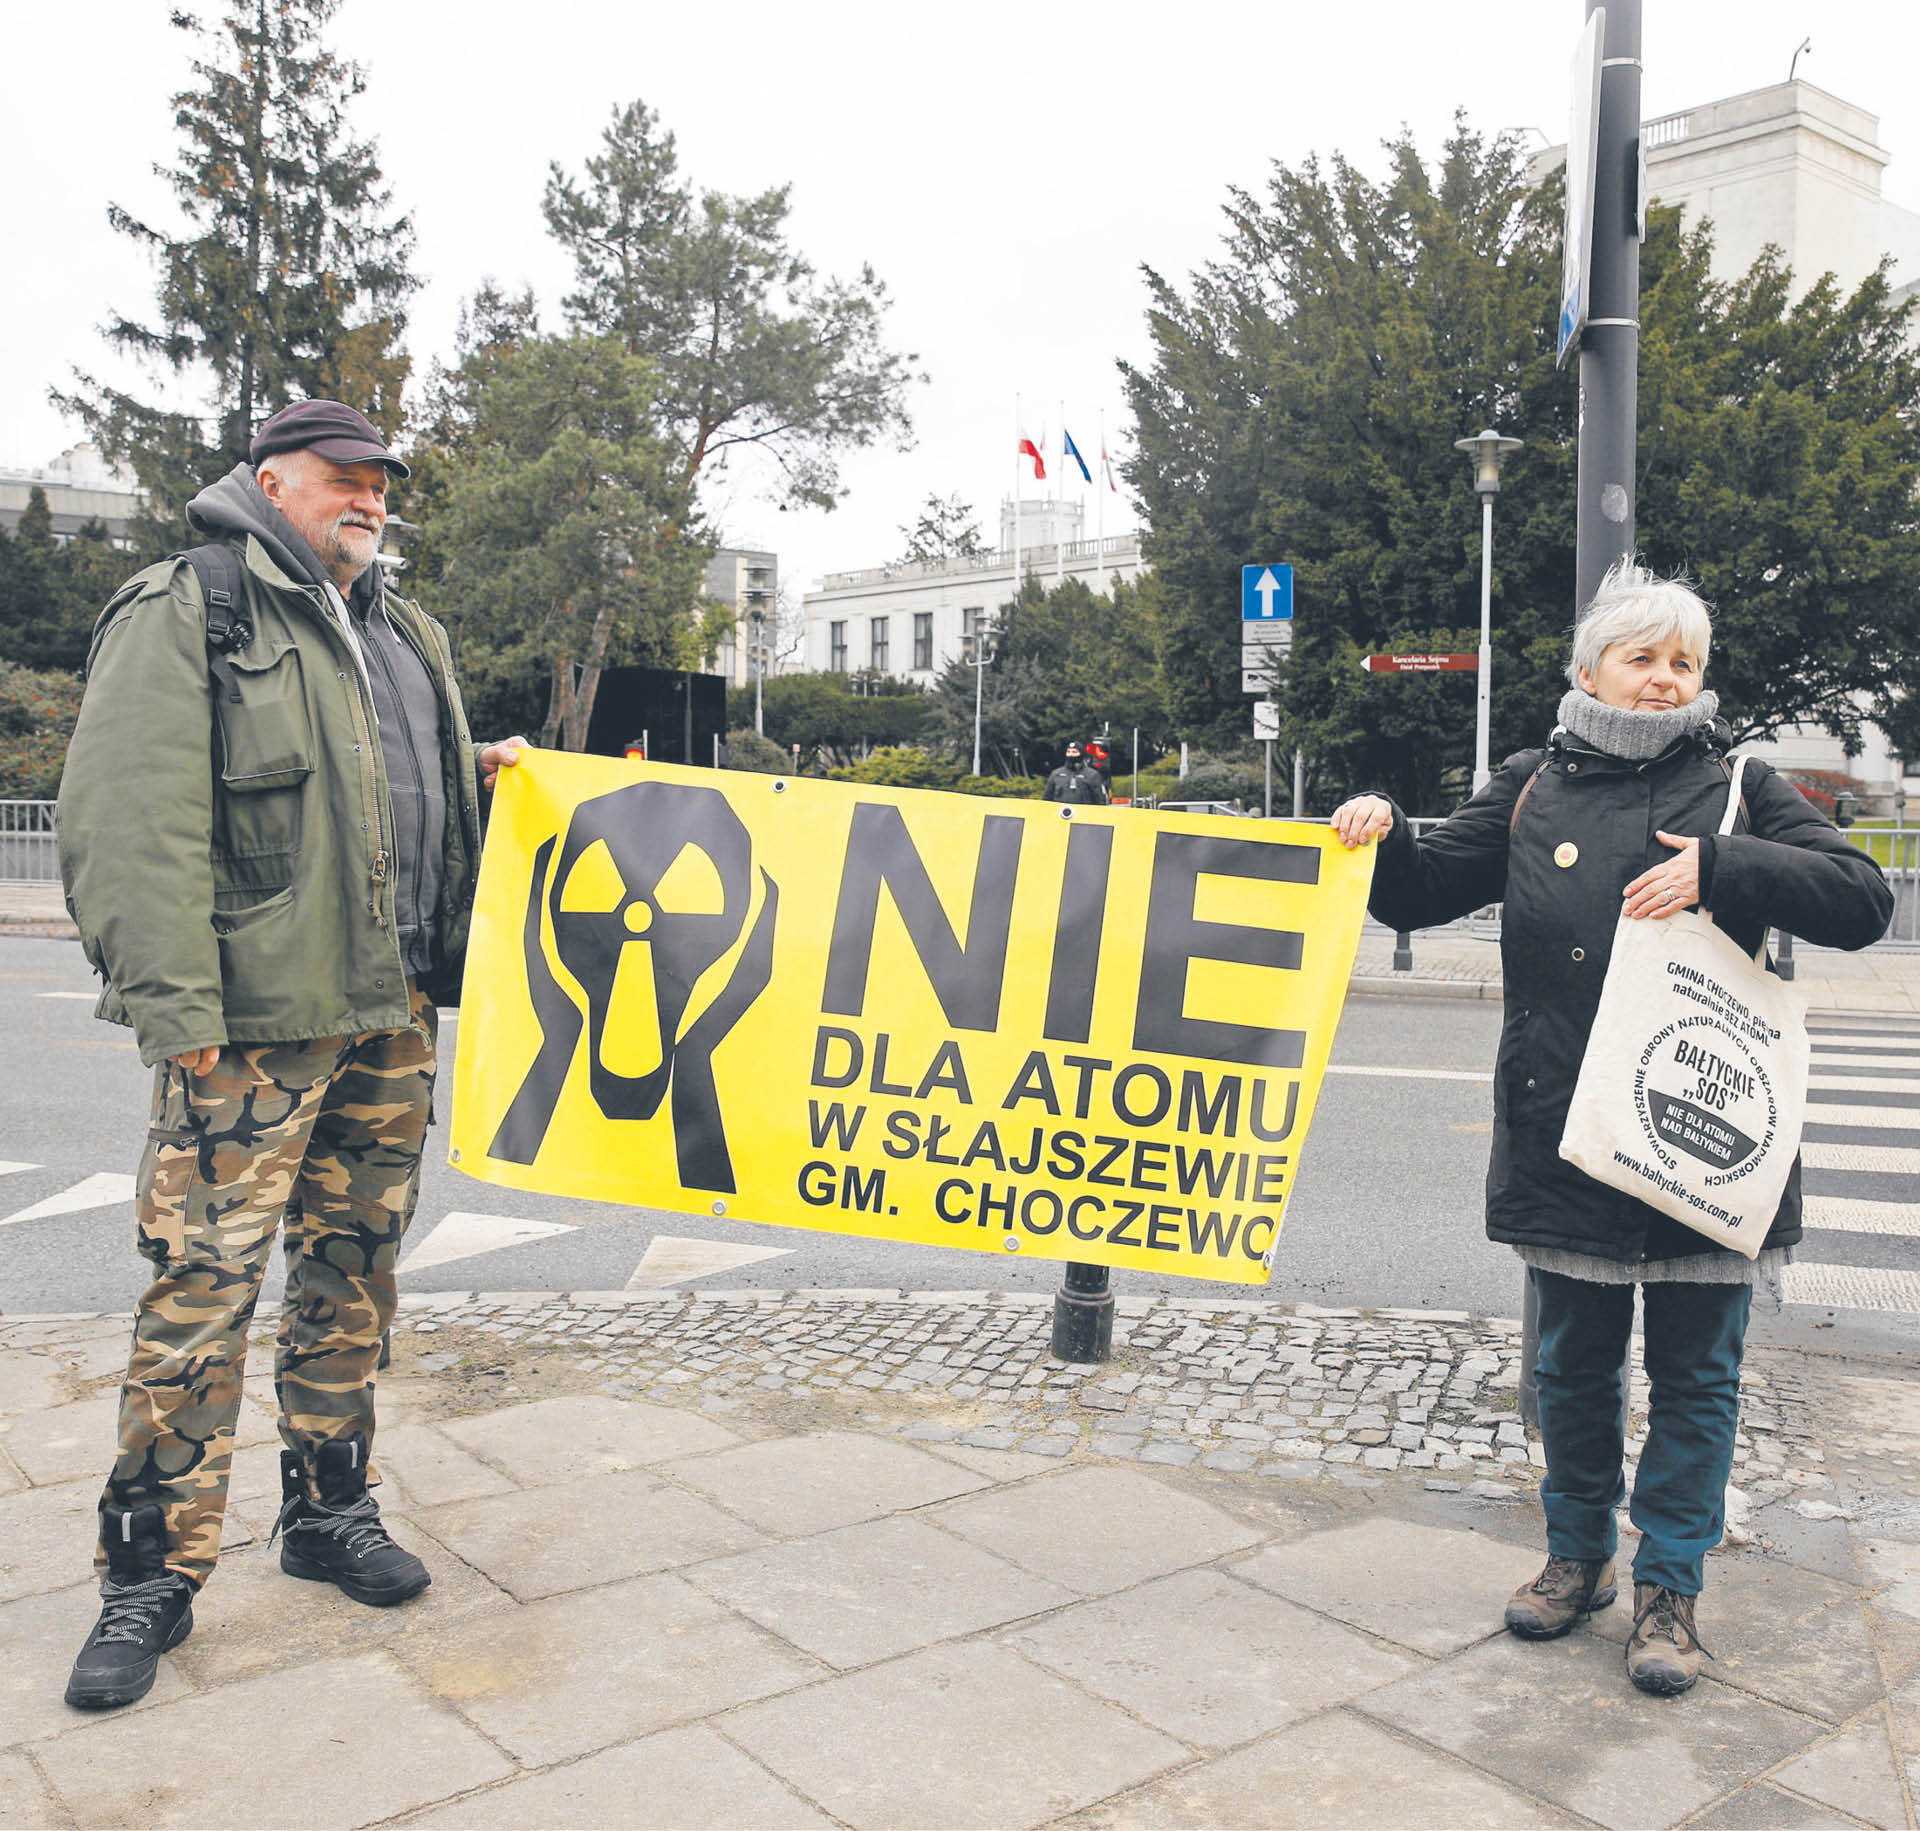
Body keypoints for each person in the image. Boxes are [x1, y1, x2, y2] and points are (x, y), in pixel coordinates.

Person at [1330, 559, 1892, 1697]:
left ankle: (1670, 1590)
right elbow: (1420, 891)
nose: (1663, 679)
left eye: (1682, 663)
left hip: (1703, 1136)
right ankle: (1576, 1557)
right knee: (1574, 1366)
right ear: (1590, 670)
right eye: (1642, 658)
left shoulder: (1739, 785)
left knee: (1697, 1377)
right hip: (1570, 1128)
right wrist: (1380, 828)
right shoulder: (1533, 783)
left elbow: (1865, 900)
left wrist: (1725, 867)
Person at [56, 399, 527, 1710]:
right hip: (246, 1033)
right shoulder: (195, 606)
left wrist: (483, 772)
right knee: (200, 1295)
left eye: (382, 480)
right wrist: (178, 1012)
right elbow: (123, 819)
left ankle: (328, 1506)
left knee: (352, 1275)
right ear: (272, 479)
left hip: (388, 1015)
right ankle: (148, 1572)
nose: (370, 498)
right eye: (345, 476)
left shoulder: (401, 630)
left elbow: (401, 797)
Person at [1043, 741, 1110, 806]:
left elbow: (1100, 799)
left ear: (1081, 754)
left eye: (1074, 752)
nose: (1071, 754)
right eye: (1068, 752)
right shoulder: (1056, 774)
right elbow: (1047, 798)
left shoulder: (1092, 775)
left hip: (1084, 814)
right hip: (1061, 814)